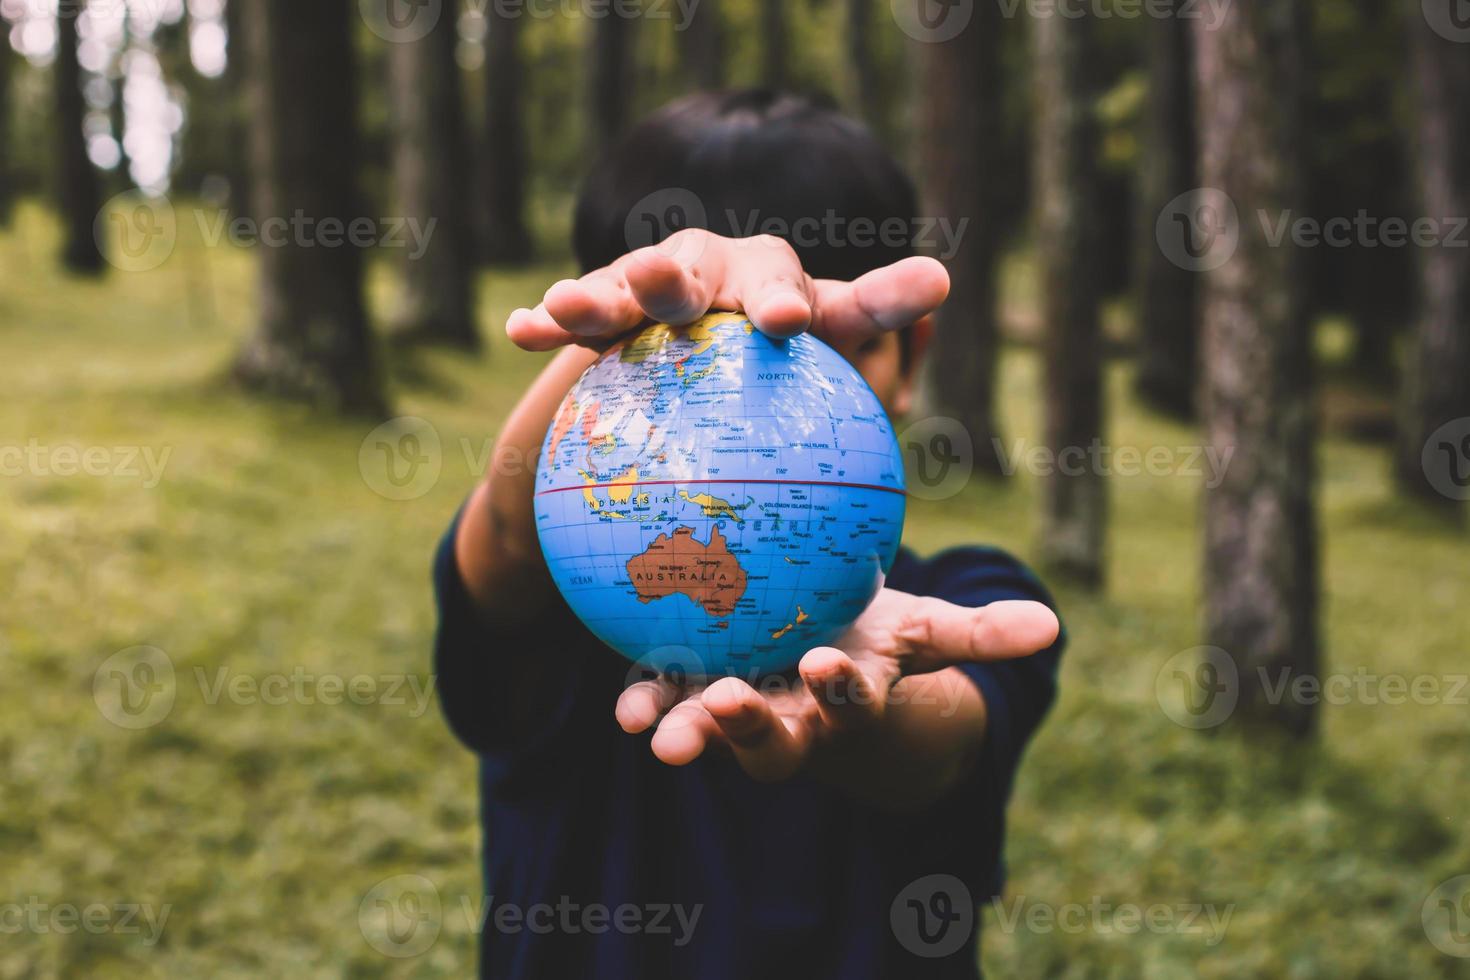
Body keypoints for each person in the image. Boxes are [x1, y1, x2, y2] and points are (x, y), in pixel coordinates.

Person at [434, 90, 1065, 979]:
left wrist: (867, 710)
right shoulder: (565, 583)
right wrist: (640, 299)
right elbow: (504, 527)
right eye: (672, 348)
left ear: (912, 355)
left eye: (803, 349)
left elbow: (944, 742)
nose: (745, 401)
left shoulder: (967, 597)